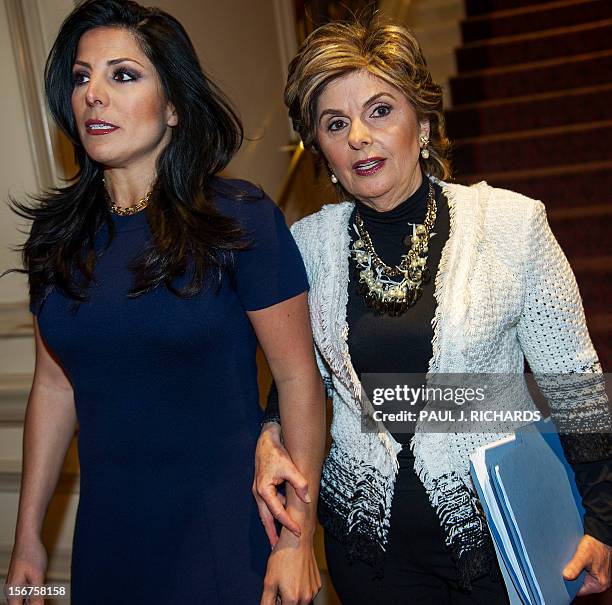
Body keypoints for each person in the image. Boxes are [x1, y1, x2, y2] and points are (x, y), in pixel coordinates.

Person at [253, 19, 612, 604]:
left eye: (379, 111)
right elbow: (296, 378)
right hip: (368, 549)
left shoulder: (511, 227)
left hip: (500, 539)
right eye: (336, 124)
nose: (359, 138)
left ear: (421, 125)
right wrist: (270, 431)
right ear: (321, 149)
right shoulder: (306, 248)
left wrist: (603, 522)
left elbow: (575, 385)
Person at [4, 1, 325, 604]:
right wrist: (29, 540)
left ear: (174, 106)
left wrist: (296, 540)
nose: (94, 93)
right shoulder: (56, 240)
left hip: (224, 536)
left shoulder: (240, 218)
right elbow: (54, 387)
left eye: (122, 75)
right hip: (110, 541)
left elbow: (298, 377)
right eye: (81, 76)